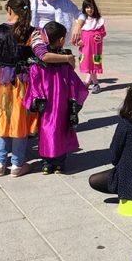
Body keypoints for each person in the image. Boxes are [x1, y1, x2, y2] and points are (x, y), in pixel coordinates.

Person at [0, 0, 58, 178]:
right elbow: (42, 54)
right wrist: (66, 58)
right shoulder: (33, 32)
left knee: (2, 119)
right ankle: (17, 164)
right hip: (24, 81)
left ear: (9, 9)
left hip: (1, 81)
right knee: (20, 121)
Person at [23, 21, 89, 174]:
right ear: (60, 40)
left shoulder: (36, 64)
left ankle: (47, 163)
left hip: (45, 105)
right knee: (61, 129)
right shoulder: (64, 61)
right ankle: (59, 163)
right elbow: (74, 81)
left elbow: (34, 82)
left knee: (46, 130)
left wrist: (37, 98)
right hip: (62, 104)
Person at [78, 0, 106, 94]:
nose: (89, 9)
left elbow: (103, 32)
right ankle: (90, 82)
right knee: (87, 63)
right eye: (87, 7)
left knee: (93, 64)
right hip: (85, 47)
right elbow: (77, 33)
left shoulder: (98, 20)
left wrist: (100, 35)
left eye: (91, 7)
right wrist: (78, 41)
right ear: (84, 8)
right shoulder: (82, 20)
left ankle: (94, 83)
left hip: (95, 47)